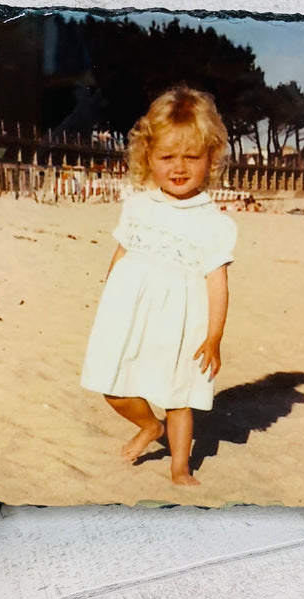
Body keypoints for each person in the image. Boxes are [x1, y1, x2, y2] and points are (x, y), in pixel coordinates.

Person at [81, 87, 236, 486]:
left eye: (191, 156)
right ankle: (149, 426)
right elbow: (121, 254)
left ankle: (180, 468)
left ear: (211, 159)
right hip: (130, 312)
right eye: (167, 157)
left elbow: (218, 282)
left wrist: (214, 336)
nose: (179, 167)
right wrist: (108, 302)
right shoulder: (138, 204)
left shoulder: (213, 222)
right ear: (148, 157)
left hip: (180, 322)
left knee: (178, 397)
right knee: (112, 385)